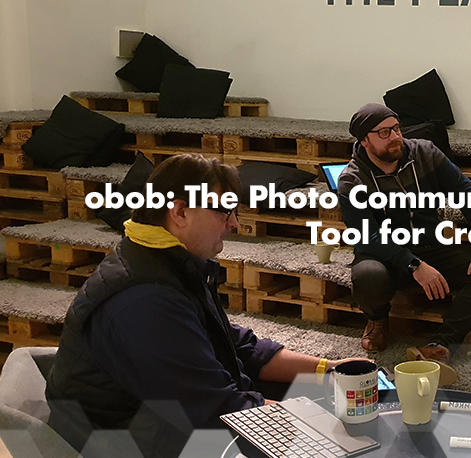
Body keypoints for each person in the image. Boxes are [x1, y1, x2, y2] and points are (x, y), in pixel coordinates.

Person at [46, 154, 365, 458]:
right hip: (125, 442)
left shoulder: (168, 261)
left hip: (164, 416)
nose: (235, 223)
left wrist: (328, 370)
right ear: (180, 212)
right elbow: (218, 411)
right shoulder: (144, 301)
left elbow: (237, 346)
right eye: (224, 210)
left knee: (322, 395)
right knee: (331, 432)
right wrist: (324, 429)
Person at [338, 103, 471, 386]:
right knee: (367, 276)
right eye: (384, 132)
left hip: (430, 245)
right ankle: (376, 320)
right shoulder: (352, 180)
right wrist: (414, 265)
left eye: (397, 128)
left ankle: (441, 345)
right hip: (383, 252)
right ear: (364, 140)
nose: (395, 137)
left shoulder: (425, 153)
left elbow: (467, 193)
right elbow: (367, 236)